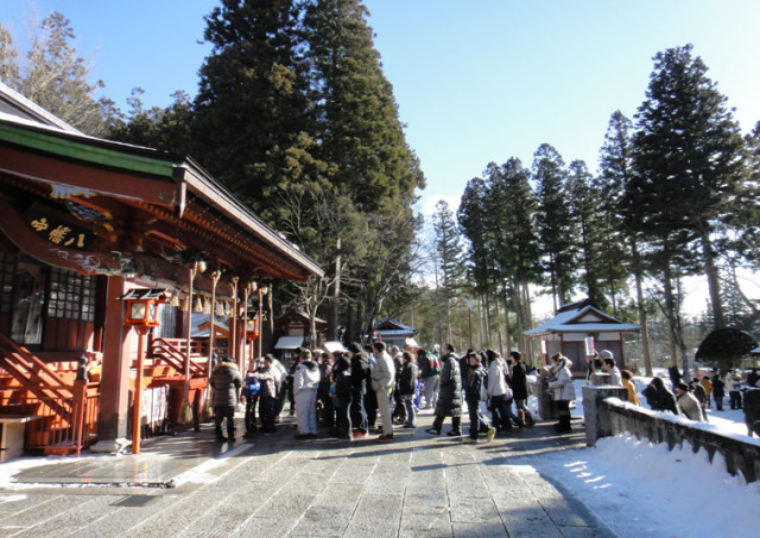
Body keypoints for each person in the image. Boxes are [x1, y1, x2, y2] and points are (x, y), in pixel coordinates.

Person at [427, 343, 463, 436]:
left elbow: (448, 375)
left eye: (444, 349)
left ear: (448, 350)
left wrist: (443, 384)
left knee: (443, 408)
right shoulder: (453, 360)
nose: (443, 350)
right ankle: (455, 429)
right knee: (454, 409)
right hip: (453, 388)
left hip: (449, 389)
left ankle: (437, 427)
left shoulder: (450, 361)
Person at [464, 352, 496, 444]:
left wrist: (471, 393)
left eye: (472, 360)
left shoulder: (477, 372)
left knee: (474, 417)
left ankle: (474, 436)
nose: (470, 362)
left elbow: (475, 386)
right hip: (472, 396)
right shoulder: (474, 370)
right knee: (475, 415)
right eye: (469, 360)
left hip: (474, 396)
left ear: (477, 361)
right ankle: (488, 429)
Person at [211, 356, 242, 442]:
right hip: (229, 398)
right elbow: (239, 384)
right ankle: (231, 436)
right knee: (230, 418)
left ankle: (218, 436)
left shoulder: (215, 372)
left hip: (218, 397)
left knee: (218, 418)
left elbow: (212, 383)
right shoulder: (234, 372)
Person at [371, 341, 396, 441]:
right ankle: (387, 430)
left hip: (382, 387)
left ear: (377, 349)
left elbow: (389, 373)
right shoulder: (383, 357)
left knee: (384, 410)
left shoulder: (383, 358)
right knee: (384, 410)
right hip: (382, 386)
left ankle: (388, 432)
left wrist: (382, 384)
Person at [294, 349, 320, 439]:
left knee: (302, 413)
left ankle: (304, 432)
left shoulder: (300, 367)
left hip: (303, 391)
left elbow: (298, 381)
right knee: (311, 412)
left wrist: (295, 392)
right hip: (313, 390)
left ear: (301, 357)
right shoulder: (315, 366)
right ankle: (313, 430)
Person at [547, 353, 576, 433]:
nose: (552, 363)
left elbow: (561, 381)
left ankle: (565, 425)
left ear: (557, 361)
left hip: (564, 393)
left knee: (564, 409)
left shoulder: (563, 369)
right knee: (561, 409)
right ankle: (562, 423)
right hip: (561, 393)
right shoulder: (558, 370)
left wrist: (551, 384)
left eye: (553, 361)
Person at [486, 349, 513, 432]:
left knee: (494, 408)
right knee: (501, 408)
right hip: (500, 390)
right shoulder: (497, 364)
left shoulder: (493, 365)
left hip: (496, 391)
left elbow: (492, 380)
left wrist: (489, 391)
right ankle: (507, 423)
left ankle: (496, 424)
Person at [252, 355, 279, 434]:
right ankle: (264, 426)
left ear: (269, 362)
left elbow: (265, 376)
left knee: (269, 411)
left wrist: (254, 375)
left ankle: (270, 427)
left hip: (269, 393)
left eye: (266, 361)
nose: (264, 363)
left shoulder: (272, 369)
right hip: (263, 393)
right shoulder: (264, 369)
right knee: (262, 411)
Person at [348, 343, 370, 438]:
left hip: (358, 385)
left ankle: (362, 429)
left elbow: (358, 373)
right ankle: (363, 427)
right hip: (362, 385)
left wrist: (352, 379)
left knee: (359, 407)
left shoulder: (357, 360)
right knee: (361, 406)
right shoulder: (364, 358)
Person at [332, 356, 353, 439]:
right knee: (345, 414)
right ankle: (346, 431)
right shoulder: (348, 372)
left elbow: (341, 385)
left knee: (345, 414)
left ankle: (348, 432)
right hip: (346, 395)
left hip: (343, 396)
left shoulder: (342, 374)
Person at [507, 351, 530, 427]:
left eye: (511, 356)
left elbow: (516, 380)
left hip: (519, 389)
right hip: (519, 389)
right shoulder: (519, 366)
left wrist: (510, 380)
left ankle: (528, 419)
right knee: (519, 406)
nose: (510, 358)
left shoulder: (518, 367)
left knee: (521, 406)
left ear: (513, 357)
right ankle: (522, 421)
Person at [398, 351, 418, 428]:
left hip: (407, 388)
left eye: (402, 357)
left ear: (405, 358)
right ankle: (411, 421)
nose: (401, 359)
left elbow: (407, 379)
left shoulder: (407, 366)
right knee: (410, 405)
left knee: (409, 406)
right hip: (411, 388)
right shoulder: (412, 365)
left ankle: (411, 422)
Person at [242, 358, 262, 438]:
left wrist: (249, 387)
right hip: (248, 394)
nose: (250, 366)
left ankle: (251, 429)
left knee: (250, 412)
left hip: (253, 394)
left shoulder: (256, 374)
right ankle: (250, 429)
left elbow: (258, 386)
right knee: (249, 412)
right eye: (250, 365)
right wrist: (243, 394)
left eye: (252, 365)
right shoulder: (248, 373)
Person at [318, 351, 336, 428]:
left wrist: (320, 385)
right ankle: (330, 420)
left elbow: (323, 377)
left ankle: (328, 421)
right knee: (329, 406)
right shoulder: (331, 364)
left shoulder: (325, 365)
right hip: (330, 387)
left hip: (325, 388)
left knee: (327, 405)